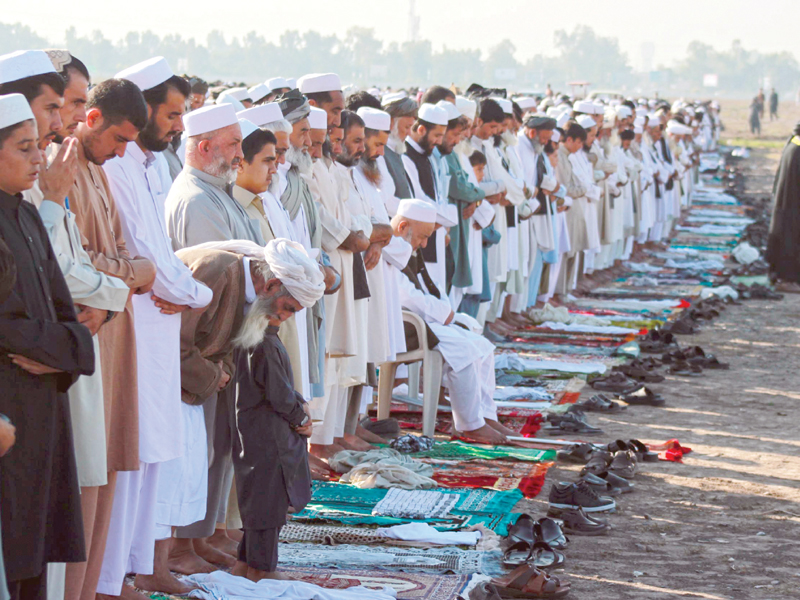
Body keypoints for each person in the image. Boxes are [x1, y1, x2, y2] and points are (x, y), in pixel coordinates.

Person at [104, 56, 215, 595]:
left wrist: (188, 291)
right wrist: (196, 292)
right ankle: (115, 573)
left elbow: (163, 261)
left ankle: (142, 565)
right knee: (132, 455)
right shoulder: (119, 163)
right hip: (131, 324)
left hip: (157, 325)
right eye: (171, 114)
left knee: (154, 452)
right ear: (142, 108)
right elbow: (146, 257)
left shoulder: (148, 164)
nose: (176, 125)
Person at [38, 51, 131, 600]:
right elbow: (65, 272)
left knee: (88, 483)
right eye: (65, 104)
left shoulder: (66, 162)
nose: (71, 116)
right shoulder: (38, 169)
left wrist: (116, 292)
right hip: (45, 353)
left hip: (82, 340)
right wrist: (124, 285)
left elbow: (95, 261)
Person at [0, 91, 95, 600]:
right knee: (11, 542)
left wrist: (66, 352)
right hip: (8, 407)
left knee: (35, 546)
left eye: (38, 146)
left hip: (43, 397)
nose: (39, 158)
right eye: (23, 148)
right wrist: (67, 346)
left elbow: (64, 309)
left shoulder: (29, 216)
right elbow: (6, 327)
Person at [165, 103, 263, 573]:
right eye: (233, 145)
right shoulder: (195, 199)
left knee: (220, 440)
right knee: (198, 445)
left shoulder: (217, 191)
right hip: (203, 344)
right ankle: (179, 548)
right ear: (204, 147)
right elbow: (216, 279)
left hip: (231, 338)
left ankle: (201, 539)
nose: (241, 156)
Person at [229, 239, 325, 582]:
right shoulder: (263, 341)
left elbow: (278, 387)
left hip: (256, 433)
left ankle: (245, 565)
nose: (283, 316)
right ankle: (260, 571)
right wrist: (300, 418)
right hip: (267, 438)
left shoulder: (260, 334)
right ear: (269, 288)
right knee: (267, 508)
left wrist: (297, 405)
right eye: (285, 307)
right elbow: (279, 394)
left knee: (260, 505)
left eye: (291, 312)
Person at [390, 199, 512, 445]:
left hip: (420, 319)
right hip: (400, 323)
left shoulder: (405, 247)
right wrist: (443, 314)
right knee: (463, 349)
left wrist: (447, 314)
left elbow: (425, 288)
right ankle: (470, 425)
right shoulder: (389, 248)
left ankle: (485, 415)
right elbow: (404, 295)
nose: (425, 244)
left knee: (482, 346)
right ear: (403, 227)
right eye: (423, 237)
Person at [766, 121, 800, 293]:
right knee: (790, 241)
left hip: (788, 204)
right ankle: (787, 280)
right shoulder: (797, 149)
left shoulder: (793, 143)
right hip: (793, 206)